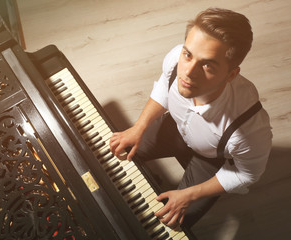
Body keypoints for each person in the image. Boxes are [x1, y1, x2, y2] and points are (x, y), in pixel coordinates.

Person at [109, 7, 272, 230]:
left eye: (207, 65)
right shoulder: (177, 58)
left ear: (231, 74)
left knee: (168, 224)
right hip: (175, 129)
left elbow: (247, 173)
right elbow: (164, 89)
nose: (188, 72)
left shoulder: (249, 130)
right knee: (111, 154)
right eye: (188, 55)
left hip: (212, 158)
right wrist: (139, 127)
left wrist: (189, 194)